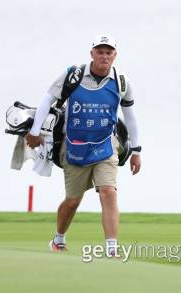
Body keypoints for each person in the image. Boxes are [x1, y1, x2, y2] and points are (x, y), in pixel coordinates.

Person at [25, 34, 142, 255]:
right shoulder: (73, 75)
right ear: (92, 54)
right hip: (74, 147)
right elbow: (47, 99)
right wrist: (34, 131)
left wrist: (136, 150)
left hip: (106, 146)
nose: (104, 56)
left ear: (114, 56)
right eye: (100, 51)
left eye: (109, 52)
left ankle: (112, 248)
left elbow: (131, 116)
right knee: (72, 201)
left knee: (108, 191)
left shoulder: (121, 81)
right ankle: (58, 239)